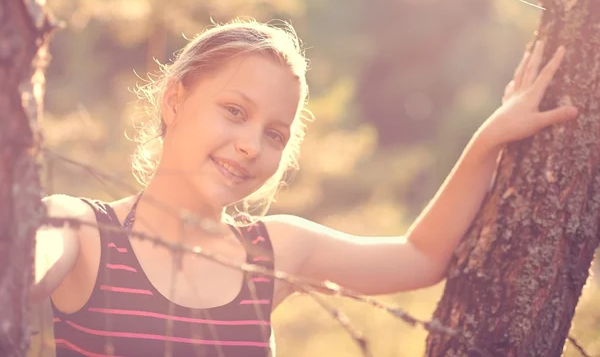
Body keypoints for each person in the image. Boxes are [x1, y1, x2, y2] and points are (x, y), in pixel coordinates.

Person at [33, 19, 578, 357]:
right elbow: (19, 276)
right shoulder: (79, 227)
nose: (250, 145)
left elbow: (419, 257)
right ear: (175, 100)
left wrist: (490, 138)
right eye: (234, 111)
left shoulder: (276, 250)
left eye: (274, 133)